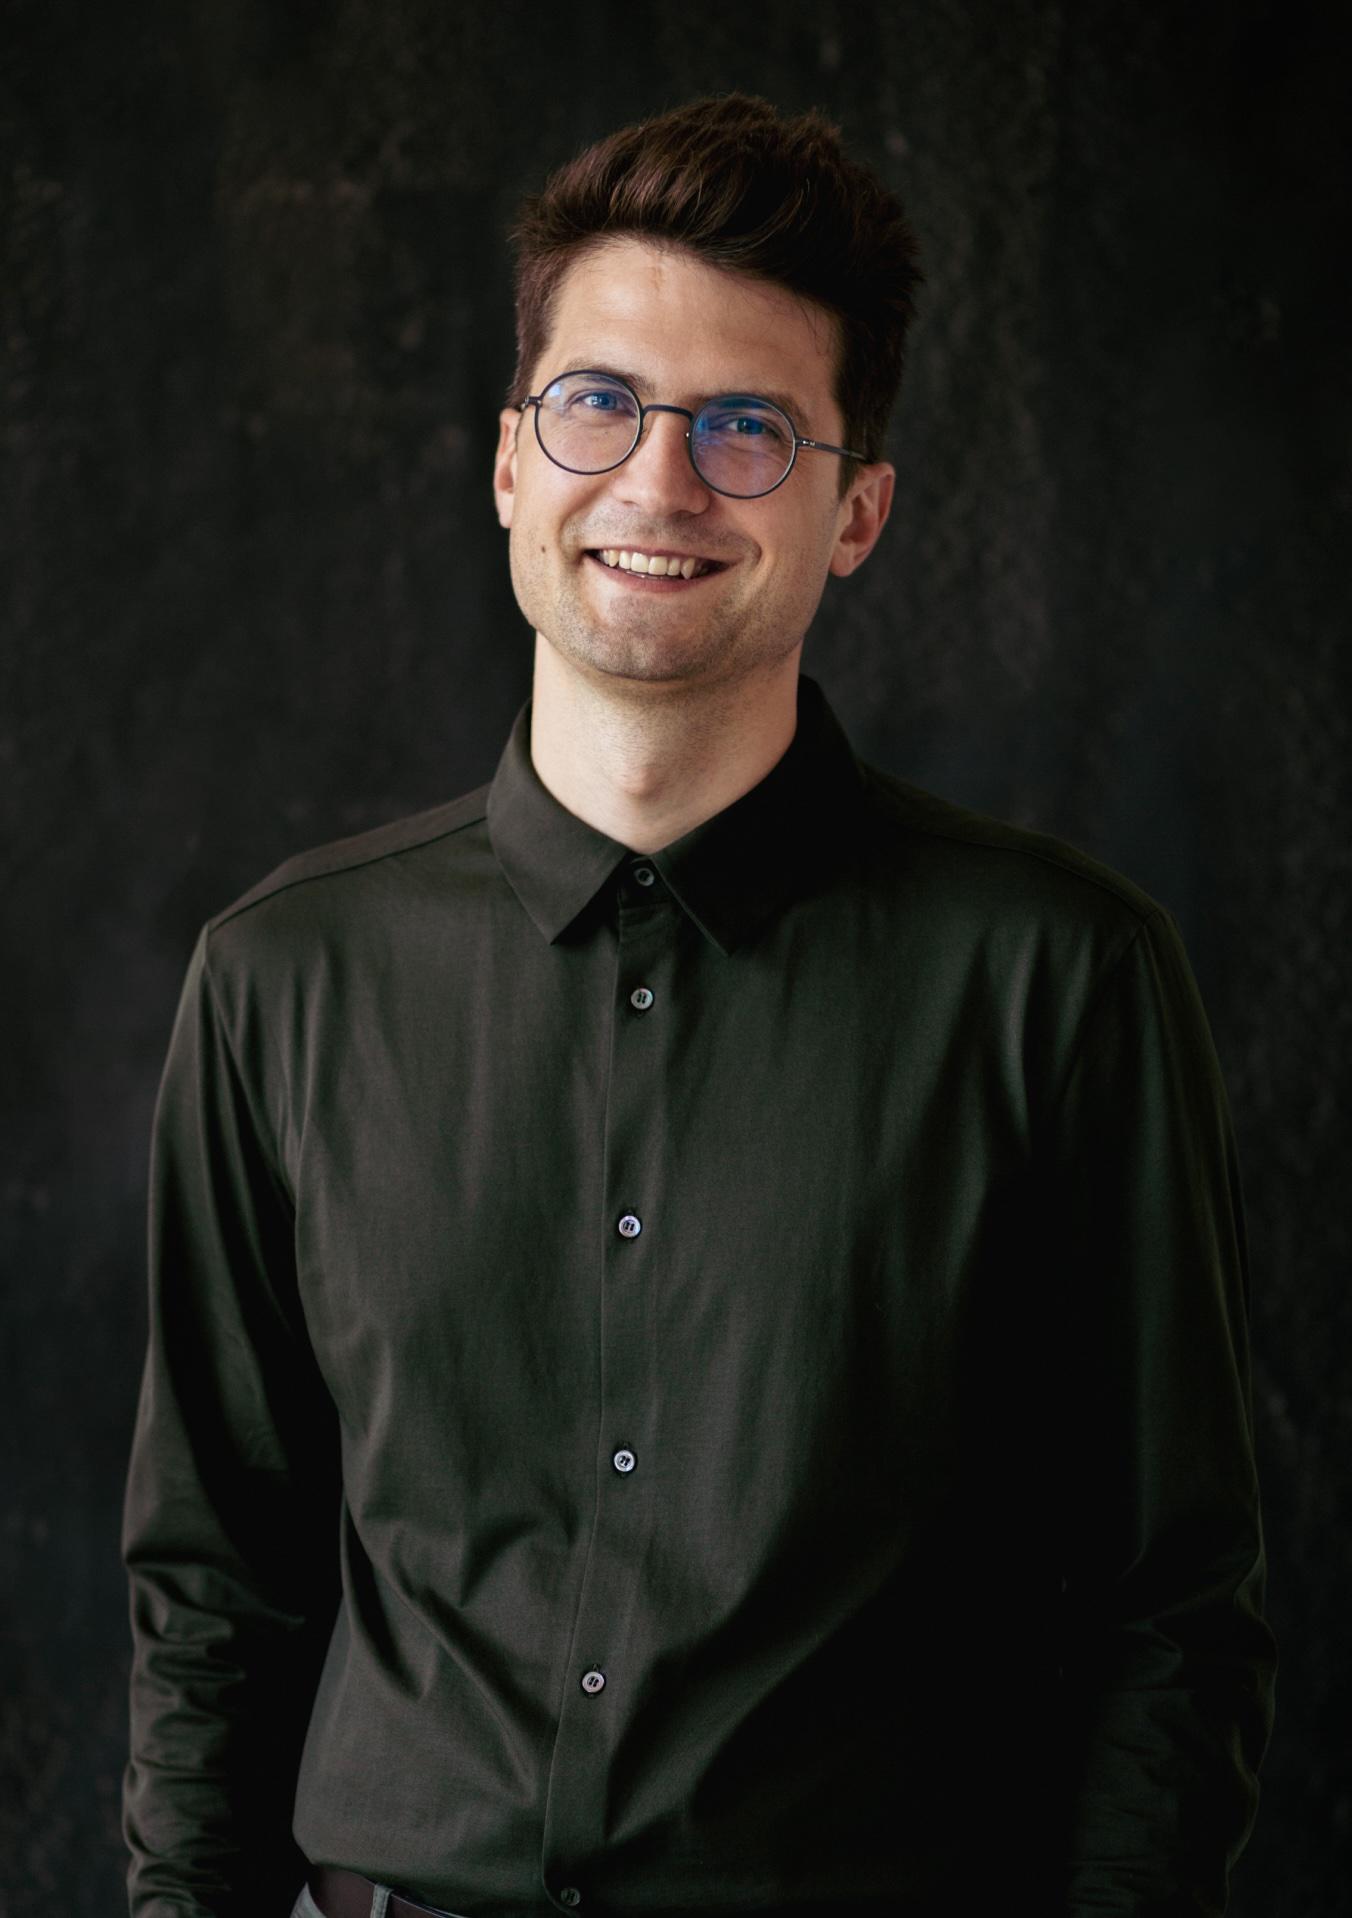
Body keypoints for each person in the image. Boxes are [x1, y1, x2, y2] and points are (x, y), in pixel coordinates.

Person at [122, 93, 1275, 1918]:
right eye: (598, 404)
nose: (658, 486)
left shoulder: (1063, 982)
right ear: (508, 459)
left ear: (860, 511)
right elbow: (215, 1593)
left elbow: (1170, 1610)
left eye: (747, 430)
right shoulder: (284, 977)